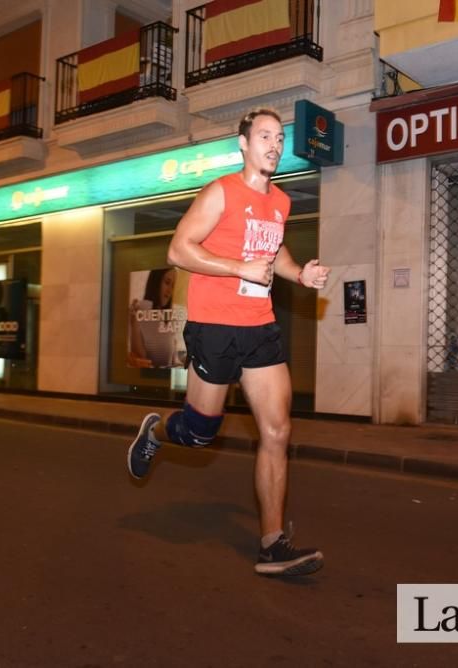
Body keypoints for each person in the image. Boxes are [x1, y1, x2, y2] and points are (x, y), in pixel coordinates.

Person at [127, 108, 331, 577]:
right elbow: (178, 250)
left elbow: (272, 247)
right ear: (243, 144)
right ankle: (155, 433)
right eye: (264, 136)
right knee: (199, 433)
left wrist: (299, 273)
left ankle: (272, 544)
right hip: (214, 325)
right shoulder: (221, 191)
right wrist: (239, 268)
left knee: (278, 432)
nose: (274, 145)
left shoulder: (280, 201)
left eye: (279, 138)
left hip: (259, 326)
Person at [128, 267, 184, 368]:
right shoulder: (140, 310)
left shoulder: (171, 317)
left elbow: (172, 359)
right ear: (156, 281)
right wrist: (134, 322)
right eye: (167, 282)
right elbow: (142, 358)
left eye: (173, 286)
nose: (170, 290)